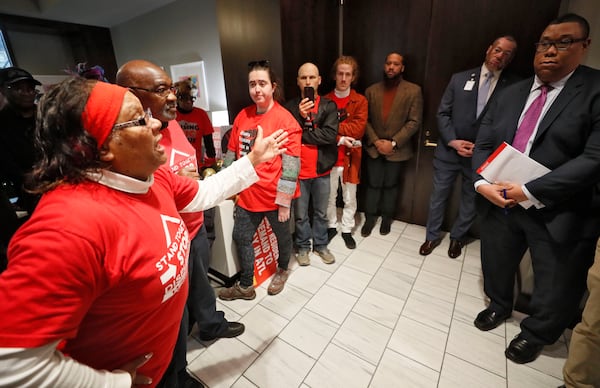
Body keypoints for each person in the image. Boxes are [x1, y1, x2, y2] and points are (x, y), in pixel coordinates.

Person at [0, 77, 288, 387]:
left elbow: (203, 193)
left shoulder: (151, 178)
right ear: (105, 146)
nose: (155, 126)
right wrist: (114, 383)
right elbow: (11, 364)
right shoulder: (67, 230)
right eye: (139, 119)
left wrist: (254, 159)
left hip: (162, 358)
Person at [472, 13, 600, 365]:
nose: (550, 51)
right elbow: (483, 142)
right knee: (496, 259)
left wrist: (529, 189)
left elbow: (594, 158)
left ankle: (537, 332)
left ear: (584, 46)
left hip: (559, 206)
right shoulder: (512, 92)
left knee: (556, 277)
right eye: (545, 43)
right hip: (501, 200)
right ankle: (499, 305)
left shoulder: (594, 90)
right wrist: (482, 183)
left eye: (563, 43)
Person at [115, 59, 244, 387]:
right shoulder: (129, 161)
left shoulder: (172, 124)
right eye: (162, 90)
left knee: (197, 285)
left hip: (193, 226)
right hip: (170, 236)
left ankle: (206, 328)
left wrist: (246, 164)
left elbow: (197, 182)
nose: (173, 98)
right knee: (172, 309)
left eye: (173, 88)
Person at [419, 36, 519, 258]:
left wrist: (483, 147)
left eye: (507, 53)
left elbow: (510, 123)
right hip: (449, 151)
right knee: (438, 197)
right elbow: (442, 113)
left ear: (511, 58)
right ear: (488, 49)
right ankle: (431, 236)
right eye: (498, 50)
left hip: (481, 156)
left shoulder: (514, 86)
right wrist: (453, 141)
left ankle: (457, 238)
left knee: (471, 200)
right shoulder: (460, 79)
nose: (500, 56)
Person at [218, 60, 302, 300]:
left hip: (275, 197)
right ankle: (246, 286)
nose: (257, 89)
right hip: (247, 194)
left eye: (262, 83)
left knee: (283, 237)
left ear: (272, 86)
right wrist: (225, 188)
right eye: (252, 84)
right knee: (241, 237)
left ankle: (283, 269)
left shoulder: (286, 120)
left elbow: (291, 165)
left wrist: (285, 200)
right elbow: (231, 155)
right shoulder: (242, 116)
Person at [362, 52, 423, 237]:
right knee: (372, 184)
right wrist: (376, 141)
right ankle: (370, 218)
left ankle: (387, 219)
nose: (391, 67)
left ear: (402, 68)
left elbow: (414, 121)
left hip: (398, 149)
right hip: (374, 147)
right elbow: (364, 119)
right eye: (388, 63)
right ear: (384, 65)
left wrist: (393, 143)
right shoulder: (371, 90)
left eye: (396, 64)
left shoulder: (413, 90)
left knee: (391, 186)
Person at [285, 62, 338, 265]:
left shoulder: (329, 105)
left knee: (321, 212)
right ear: (298, 81)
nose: (308, 81)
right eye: (304, 78)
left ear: (319, 80)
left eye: (312, 77)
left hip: (321, 169)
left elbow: (330, 135)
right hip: (297, 171)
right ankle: (303, 247)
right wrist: (300, 116)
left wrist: (304, 134)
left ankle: (321, 245)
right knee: (300, 215)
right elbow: (289, 135)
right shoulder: (289, 108)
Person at [324, 56, 368, 250]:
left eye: (347, 74)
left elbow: (358, 129)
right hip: (329, 158)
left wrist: (332, 128)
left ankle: (347, 229)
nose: (343, 78)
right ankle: (331, 226)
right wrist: (337, 134)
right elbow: (320, 131)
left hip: (352, 159)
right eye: (340, 73)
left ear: (353, 77)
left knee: (350, 197)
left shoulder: (360, 101)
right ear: (335, 75)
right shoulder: (324, 101)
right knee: (329, 196)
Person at [0, 67, 41, 216]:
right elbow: (7, 165)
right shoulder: (2, 124)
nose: (26, 93)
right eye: (18, 88)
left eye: (30, 88)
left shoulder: (47, 115)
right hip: (32, 191)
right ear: (4, 90)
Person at [174, 78, 216, 170]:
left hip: (196, 163)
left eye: (192, 99)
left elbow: (209, 142)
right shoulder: (172, 116)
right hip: (176, 163)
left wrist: (212, 162)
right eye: (185, 99)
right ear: (178, 99)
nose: (189, 102)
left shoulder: (201, 114)